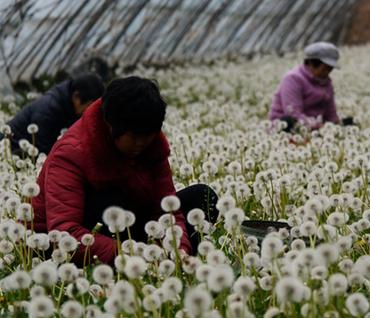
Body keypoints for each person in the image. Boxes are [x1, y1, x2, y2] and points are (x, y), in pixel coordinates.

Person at [32, 76, 218, 265]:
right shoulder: (72, 152)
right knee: (110, 199)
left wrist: (179, 249)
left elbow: (165, 208)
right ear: (112, 126)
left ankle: (176, 266)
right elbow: (65, 232)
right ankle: (131, 266)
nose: (142, 143)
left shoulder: (152, 146)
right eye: (135, 137)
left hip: (127, 230)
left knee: (202, 197)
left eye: (149, 135)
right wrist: (130, 253)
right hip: (68, 243)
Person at [6, 73, 104, 155]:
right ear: (76, 97)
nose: (89, 112)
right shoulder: (49, 109)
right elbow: (44, 151)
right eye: (89, 106)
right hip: (10, 150)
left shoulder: (68, 106)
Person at [269, 42, 353, 131]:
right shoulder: (293, 79)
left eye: (330, 68)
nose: (328, 72)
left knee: (349, 123)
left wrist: (336, 126)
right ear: (311, 63)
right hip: (289, 128)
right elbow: (293, 113)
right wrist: (320, 127)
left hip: (316, 128)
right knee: (288, 121)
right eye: (325, 68)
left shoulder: (327, 83)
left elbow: (330, 113)